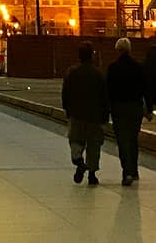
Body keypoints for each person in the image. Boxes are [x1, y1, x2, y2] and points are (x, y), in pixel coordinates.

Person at [61, 42, 109, 186]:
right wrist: (105, 114)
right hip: (95, 116)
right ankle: (92, 175)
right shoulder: (98, 73)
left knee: (75, 141)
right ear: (91, 56)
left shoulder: (71, 72)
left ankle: (79, 161)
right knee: (94, 145)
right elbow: (104, 96)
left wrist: (67, 109)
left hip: (76, 114)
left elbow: (66, 93)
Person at [106, 37, 148, 186]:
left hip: (119, 108)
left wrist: (107, 110)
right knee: (133, 139)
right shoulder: (138, 67)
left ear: (117, 50)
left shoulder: (113, 68)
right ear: (130, 49)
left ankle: (127, 172)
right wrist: (148, 108)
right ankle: (134, 170)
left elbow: (109, 91)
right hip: (135, 107)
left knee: (122, 141)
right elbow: (145, 89)